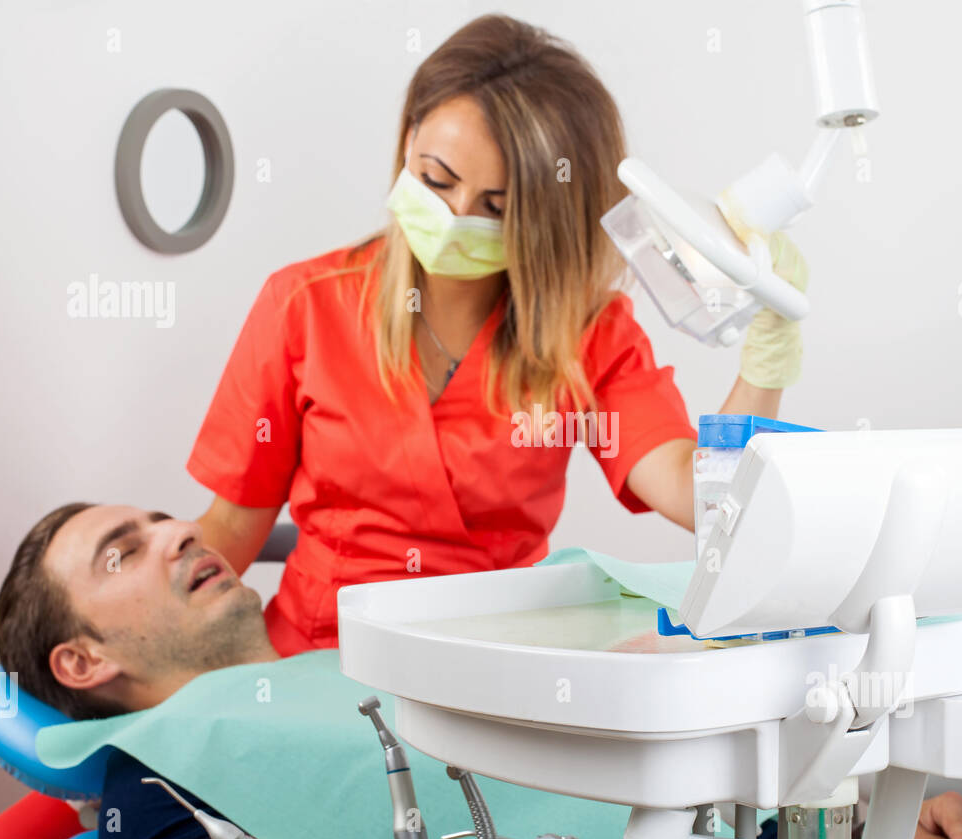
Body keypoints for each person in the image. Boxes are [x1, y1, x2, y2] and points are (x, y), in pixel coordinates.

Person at [0, 504, 962, 839]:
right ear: (82, 665)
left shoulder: (336, 676)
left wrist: (866, 815)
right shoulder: (168, 779)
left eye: (158, 519)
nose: (176, 530)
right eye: (120, 553)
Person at [187, 14, 808, 657]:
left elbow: (699, 495)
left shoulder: (588, 336)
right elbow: (231, 526)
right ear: (408, 140)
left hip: (491, 672)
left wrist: (768, 355)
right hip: (314, 661)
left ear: (547, 219)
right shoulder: (303, 305)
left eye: (496, 207)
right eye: (436, 179)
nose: (455, 218)